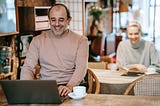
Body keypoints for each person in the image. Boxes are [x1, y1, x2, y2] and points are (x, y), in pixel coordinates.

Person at [20, 3, 89, 96]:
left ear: (69, 20)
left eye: (61, 20)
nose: (57, 24)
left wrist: (69, 87)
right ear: (49, 20)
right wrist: (28, 88)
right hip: (46, 88)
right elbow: (28, 67)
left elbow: (81, 68)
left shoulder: (81, 41)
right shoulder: (37, 40)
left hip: (71, 87)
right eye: (53, 20)